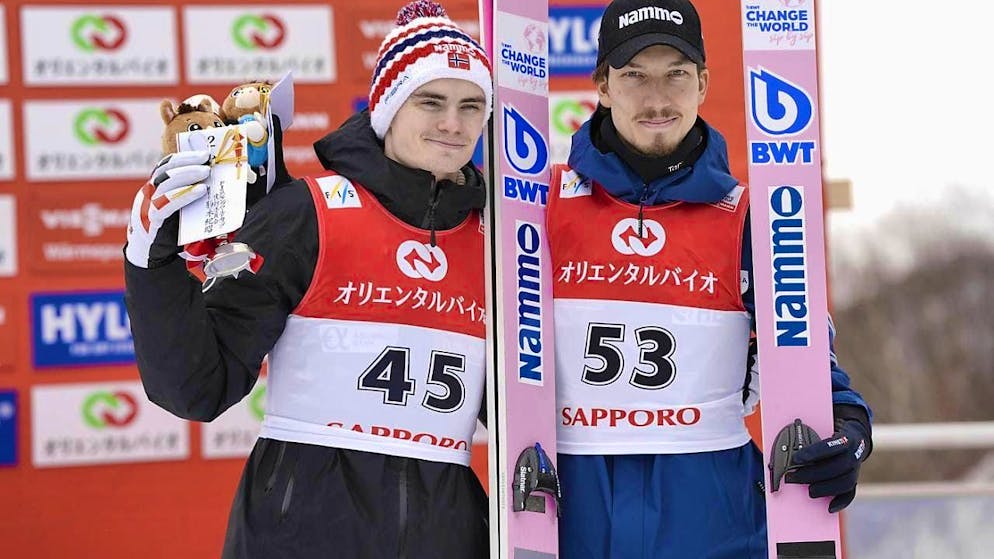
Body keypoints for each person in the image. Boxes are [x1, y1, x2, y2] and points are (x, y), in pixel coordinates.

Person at [122, 1, 495, 557]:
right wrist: (150, 265)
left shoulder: (500, 243)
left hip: (447, 531)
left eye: (471, 105)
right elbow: (198, 387)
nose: (452, 123)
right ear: (389, 107)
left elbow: (519, 409)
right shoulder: (308, 215)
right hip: (300, 530)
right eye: (431, 100)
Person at [547, 0, 874, 557]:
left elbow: (807, 358)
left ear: (702, 83)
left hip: (714, 526)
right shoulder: (539, 206)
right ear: (602, 85)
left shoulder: (754, 221)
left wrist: (849, 429)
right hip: (570, 523)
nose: (657, 98)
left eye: (675, 74)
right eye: (634, 76)